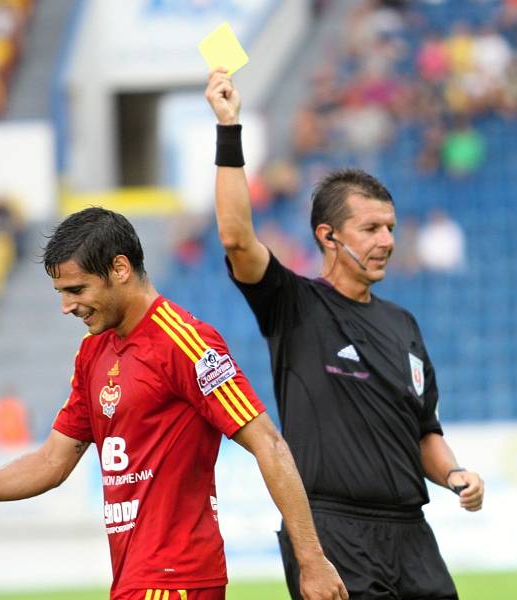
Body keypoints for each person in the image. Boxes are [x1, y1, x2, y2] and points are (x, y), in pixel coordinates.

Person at [0, 207, 347, 600]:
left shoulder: (186, 342)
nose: (66, 306)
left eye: (77, 289)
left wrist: (311, 560)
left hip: (175, 578)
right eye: (61, 292)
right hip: (136, 578)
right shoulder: (92, 352)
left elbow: (268, 443)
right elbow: (50, 463)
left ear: (119, 268)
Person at [206, 68, 484, 600]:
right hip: (333, 531)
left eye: (392, 229)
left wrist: (454, 475)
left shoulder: (403, 324)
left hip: (411, 533)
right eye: (372, 229)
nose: (387, 241)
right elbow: (237, 238)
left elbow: (425, 431)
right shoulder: (295, 304)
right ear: (327, 236)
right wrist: (229, 128)